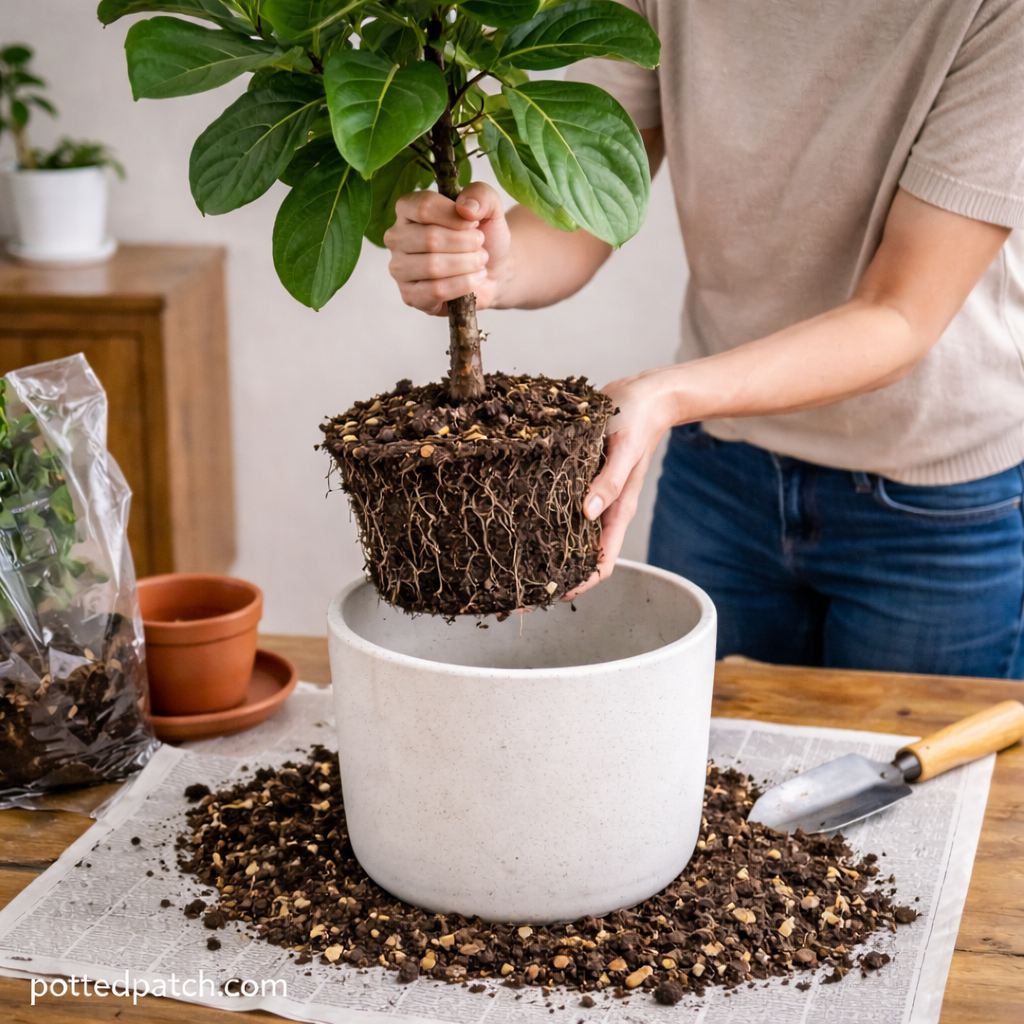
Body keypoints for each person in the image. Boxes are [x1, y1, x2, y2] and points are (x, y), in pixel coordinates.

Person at [383, 0, 1024, 679]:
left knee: (905, 774)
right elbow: (590, 198)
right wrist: (490, 267)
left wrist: (668, 394)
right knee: (695, 757)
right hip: (722, 471)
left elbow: (899, 316)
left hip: (933, 500)